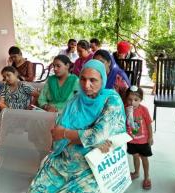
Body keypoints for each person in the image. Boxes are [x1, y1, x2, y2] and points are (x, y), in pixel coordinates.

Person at [29, 59, 126, 192]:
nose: (86, 85)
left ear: (102, 80)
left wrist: (66, 133)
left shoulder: (112, 99)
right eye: (83, 79)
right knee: (36, 189)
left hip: (94, 165)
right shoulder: (75, 100)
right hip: (64, 160)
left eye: (93, 80)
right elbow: (56, 135)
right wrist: (86, 137)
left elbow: (97, 136)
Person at [125, 85, 153, 190]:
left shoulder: (144, 110)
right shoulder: (125, 108)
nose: (133, 102)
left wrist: (150, 137)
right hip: (131, 140)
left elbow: (149, 124)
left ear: (140, 99)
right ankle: (136, 173)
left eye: (136, 100)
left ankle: (147, 177)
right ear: (126, 99)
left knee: (144, 159)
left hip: (143, 141)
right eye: (130, 99)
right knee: (135, 157)